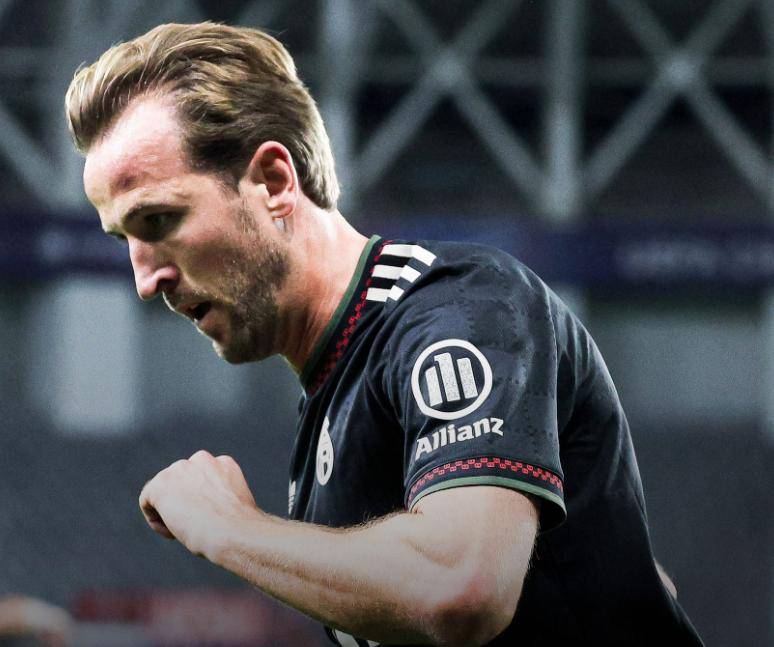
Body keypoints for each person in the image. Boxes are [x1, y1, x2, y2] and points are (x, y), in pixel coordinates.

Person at [65, 22, 703, 646]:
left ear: (274, 183)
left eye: (159, 220)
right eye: (125, 240)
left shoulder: (461, 307)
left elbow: (461, 589)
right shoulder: (332, 393)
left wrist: (227, 527)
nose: (144, 281)